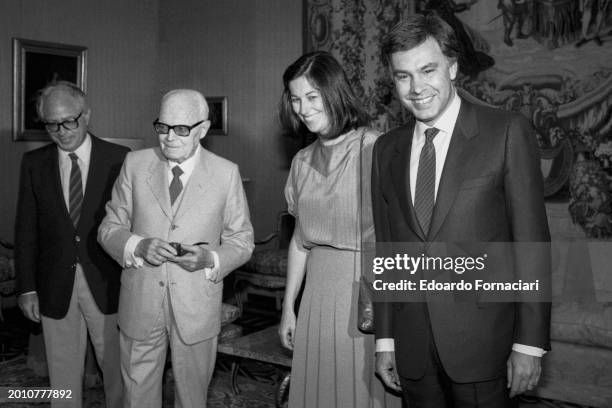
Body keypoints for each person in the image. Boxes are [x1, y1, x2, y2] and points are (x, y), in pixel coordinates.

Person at [371, 13, 551, 408]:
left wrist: (530, 343)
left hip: (483, 345)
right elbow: (387, 254)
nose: (416, 88)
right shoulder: (386, 149)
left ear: (452, 67)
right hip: (413, 346)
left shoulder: (506, 132)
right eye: (403, 76)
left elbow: (531, 245)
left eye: (428, 70)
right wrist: (385, 339)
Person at [97, 89, 254, 408]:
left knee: (192, 397)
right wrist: (137, 246)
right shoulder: (135, 163)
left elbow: (242, 241)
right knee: (137, 395)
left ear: (203, 129)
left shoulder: (226, 173)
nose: (169, 137)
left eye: (181, 129)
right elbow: (108, 228)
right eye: (162, 127)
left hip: (196, 306)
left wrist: (210, 258)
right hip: (140, 301)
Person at [278, 51, 400, 408]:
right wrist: (289, 307)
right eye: (296, 99)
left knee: (360, 394)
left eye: (312, 97)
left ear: (334, 92)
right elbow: (300, 243)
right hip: (316, 295)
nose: (302, 108)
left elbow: (398, 239)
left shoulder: (376, 148)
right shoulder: (301, 162)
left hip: (365, 294)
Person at [15, 81, 127, 408]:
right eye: (51, 124)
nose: (62, 131)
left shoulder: (120, 158)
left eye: (69, 121)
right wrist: (26, 288)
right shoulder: (34, 164)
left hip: (108, 283)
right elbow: (25, 230)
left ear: (86, 115)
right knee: (62, 377)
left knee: (117, 371)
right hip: (54, 284)